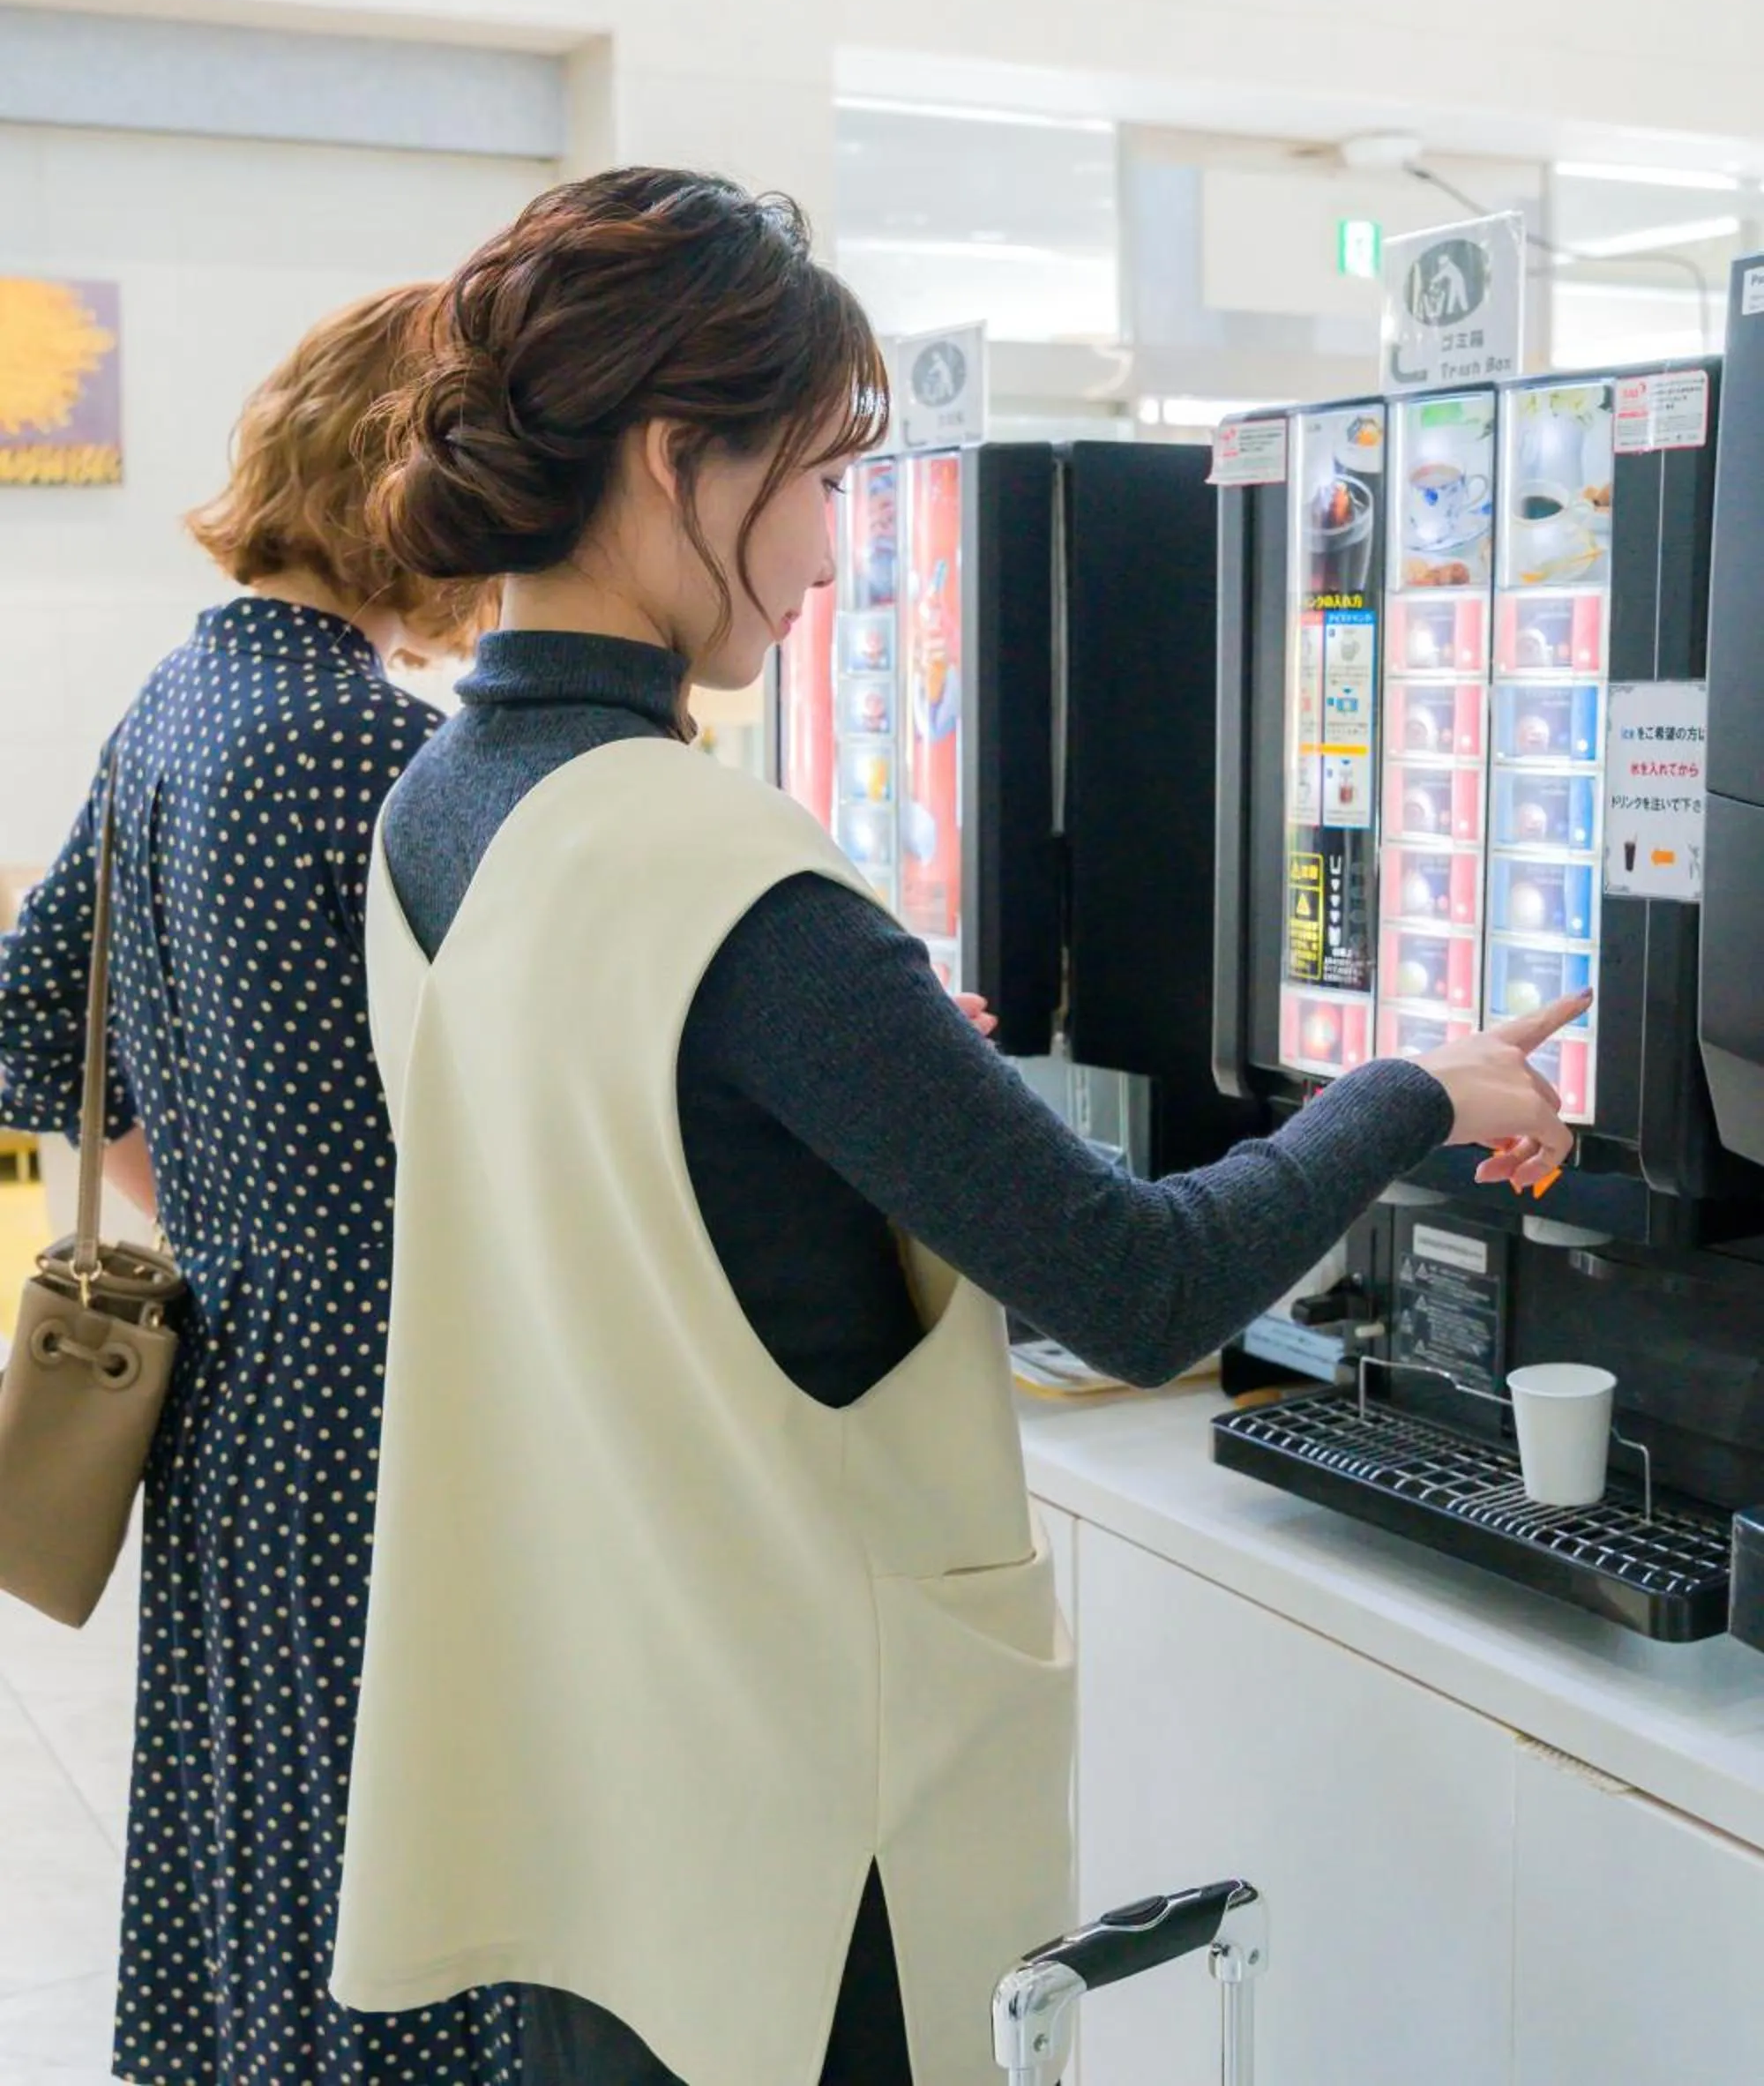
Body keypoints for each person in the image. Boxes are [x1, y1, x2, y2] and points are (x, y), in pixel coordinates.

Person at [329, 171, 1582, 2086]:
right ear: (680, 462)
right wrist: (1409, 1088)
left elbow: (638, 1206)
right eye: (820, 479)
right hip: (798, 1811)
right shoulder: (726, 870)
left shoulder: (438, 815)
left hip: (590, 1764)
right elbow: (1137, 1281)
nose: (832, 557)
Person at [0, 288, 520, 2086]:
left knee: (255, 1832)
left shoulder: (185, 696)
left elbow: (24, 1012)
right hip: (390, 1393)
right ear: (412, 483)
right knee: (405, 1871)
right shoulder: (383, 753)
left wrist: (217, 1192)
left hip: (225, 1375)